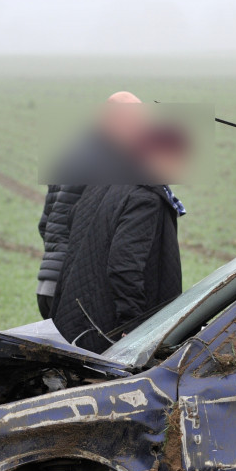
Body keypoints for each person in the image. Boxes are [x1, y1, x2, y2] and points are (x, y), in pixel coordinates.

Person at [49, 122, 189, 353]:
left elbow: (72, 226)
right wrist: (132, 324)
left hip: (74, 320)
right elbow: (124, 266)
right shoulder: (145, 199)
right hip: (106, 332)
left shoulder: (102, 184)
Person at [35, 92, 145, 318]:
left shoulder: (71, 153)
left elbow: (46, 224)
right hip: (74, 288)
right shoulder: (109, 162)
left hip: (47, 283)